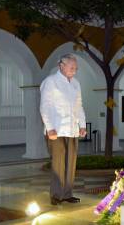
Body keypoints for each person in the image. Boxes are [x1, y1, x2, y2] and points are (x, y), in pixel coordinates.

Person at [40, 53, 87, 205]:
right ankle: (56, 195)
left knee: (71, 164)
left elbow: (79, 106)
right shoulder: (51, 82)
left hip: (72, 130)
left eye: (76, 68)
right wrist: (50, 128)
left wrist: (82, 125)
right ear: (61, 65)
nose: (74, 70)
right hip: (56, 130)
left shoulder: (76, 83)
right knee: (58, 164)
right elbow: (44, 106)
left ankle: (67, 194)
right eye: (72, 67)